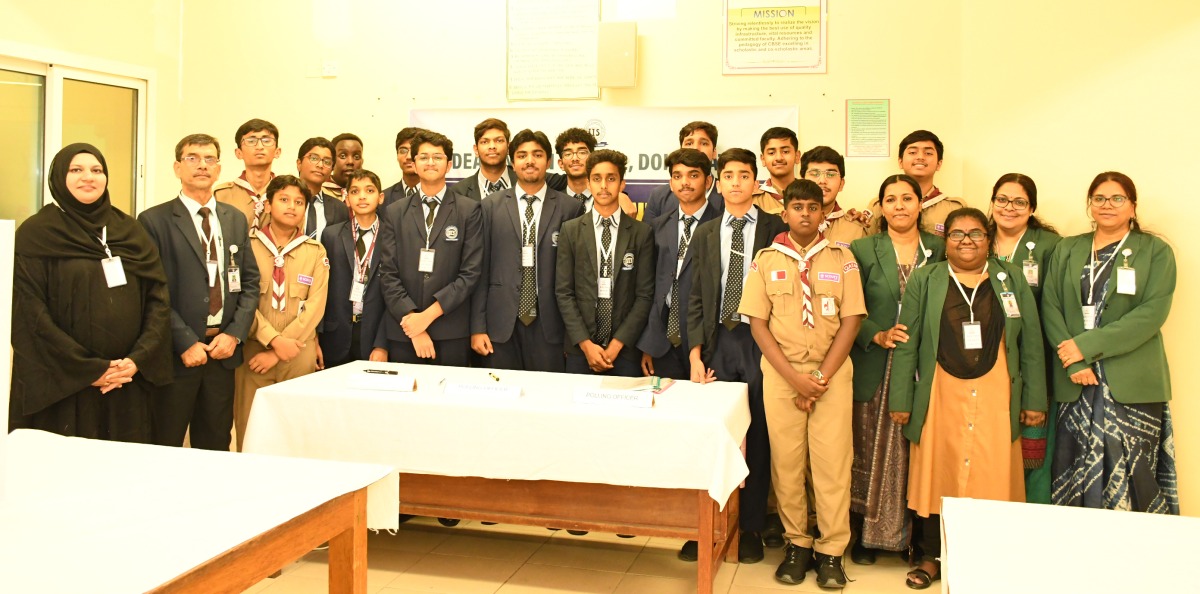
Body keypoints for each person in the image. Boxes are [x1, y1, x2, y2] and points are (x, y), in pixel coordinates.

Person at [890, 207, 1047, 590]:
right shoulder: (927, 278)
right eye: (957, 234)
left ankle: (989, 555)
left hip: (998, 389)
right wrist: (901, 397)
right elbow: (907, 340)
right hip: (940, 389)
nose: (966, 241)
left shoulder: (1009, 277)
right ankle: (931, 556)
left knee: (993, 472)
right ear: (946, 241)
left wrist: (1035, 399)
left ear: (989, 239)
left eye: (975, 233)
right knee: (936, 471)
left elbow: (1030, 341)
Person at [739, 179, 865, 589]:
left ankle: (831, 550)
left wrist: (820, 377)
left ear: (823, 211)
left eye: (814, 207)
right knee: (788, 465)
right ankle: (798, 544)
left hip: (831, 375)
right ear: (785, 212)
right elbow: (758, 324)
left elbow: (852, 320)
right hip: (781, 376)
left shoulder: (843, 259)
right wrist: (795, 378)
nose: (806, 214)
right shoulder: (764, 259)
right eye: (798, 207)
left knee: (831, 465)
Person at [10, 143, 172, 442]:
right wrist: (89, 369)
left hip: (126, 380)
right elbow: (31, 314)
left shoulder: (130, 230)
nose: (89, 177)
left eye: (96, 170)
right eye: (76, 170)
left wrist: (138, 359)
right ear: (59, 177)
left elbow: (158, 299)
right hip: (64, 384)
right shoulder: (37, 233)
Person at [1042, 172, 1178, 514]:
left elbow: (1151, 314)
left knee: (1137, 474)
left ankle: (1139, 554)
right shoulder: (1068, 248)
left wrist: (1086, 347)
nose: (1107, 206)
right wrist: (1074, 360)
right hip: (1076, 379)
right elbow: (1051, 306)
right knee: (1073, 470)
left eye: (1117, 198)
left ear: (1132, 206)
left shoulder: (1155, 251)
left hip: (1132, 381)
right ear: (1090, 205)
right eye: (1099, 198)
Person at [679, 147, 788, 565]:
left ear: (756, 182)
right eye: (728, 175)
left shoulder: (776, 228)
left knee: (757, 435)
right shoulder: (705, 231)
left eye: (745, 175)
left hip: (761, 341)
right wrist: (693, 354)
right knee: (715, 433)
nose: (736, 182)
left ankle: (751, 527)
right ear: (717, 182)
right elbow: (693, 296)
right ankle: (707, 523)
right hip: (715, 341)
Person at [139, 134, 261, 451]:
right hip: (176, 356)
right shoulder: (154, 221)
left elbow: (249, 283)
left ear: (219, 168)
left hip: (222, 354)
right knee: (164, 443)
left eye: (209, 159)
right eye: (193, 158)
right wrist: (185, 341)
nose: (202, 165)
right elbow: (153, 290)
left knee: (216, 444)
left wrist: (234, 335)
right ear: (177, 167)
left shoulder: (234, 219)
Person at [846, 174, 944, 564]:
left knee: (917, 451)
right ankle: (865, 538)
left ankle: (914, 540)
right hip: (875, 363)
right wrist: (877, 334)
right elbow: (846, 303)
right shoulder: (862, 248)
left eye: (907, 198)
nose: (900, 206)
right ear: (881, 206)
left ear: (921, 204)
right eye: (891, 199)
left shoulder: (939, 247)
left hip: (925, 367)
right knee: (867, 450)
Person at [470, 129, 583, 371]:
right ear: (512, 162)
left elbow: (576, 278)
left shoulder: (570, 209)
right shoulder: (490, 206)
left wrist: (574, 334)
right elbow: (480, 270)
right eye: (522, 155)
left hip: (551, 326)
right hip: (500, 324)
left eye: (537, 154)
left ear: (549, 162)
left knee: (547, 398)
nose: (529, 161)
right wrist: (477, 327)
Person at [235, 175, 330, 450]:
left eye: (299, 202)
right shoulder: (247, 246)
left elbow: (316, 305)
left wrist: (279, 350)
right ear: (268, 204)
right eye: (284, 200)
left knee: (296, 429)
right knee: (251, 427)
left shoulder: (315, 251)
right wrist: (272, 341)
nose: (292, 207)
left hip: (298, 352)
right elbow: (242, 300)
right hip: (253, 352)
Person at [376, 129, 483, 367]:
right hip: (404, 330)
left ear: (449, 163)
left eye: (437, 157)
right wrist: (413, 322)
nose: (430, 162)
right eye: (423, 157)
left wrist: (427, 317)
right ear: (413, 163)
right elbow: (388, 273)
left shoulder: (469, 210)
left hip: (450, 329)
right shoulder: (395, 211)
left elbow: (470, 273)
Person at [986, 173, 1061, 503]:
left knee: (1033, 449)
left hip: (1034, 356)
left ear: (1031, 208)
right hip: (984, 358)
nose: (1009, 208)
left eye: (1019, 202)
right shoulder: (976, 238)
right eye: (1002, 199)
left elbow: (1057, 302)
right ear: (992, 203)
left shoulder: (1050, 246)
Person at [556, 149, 654, 377]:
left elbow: (644, 296)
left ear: (621, 184)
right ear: (588, 183)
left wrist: (617, 345)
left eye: (611, 179)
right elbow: (563, 292)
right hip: (581, 350)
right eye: (597, 179)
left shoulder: (642, 233)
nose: (603, 186)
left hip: (625, 350)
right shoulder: (570, 230)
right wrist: (585, 344)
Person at [637, 148, 721, 381]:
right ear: (671, 183)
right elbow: (650, 289)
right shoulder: (656, 227)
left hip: (707, 341)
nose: (684, 182)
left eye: (693, 175)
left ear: (709, 181)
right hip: (662, 342)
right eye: (677, 176)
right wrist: (648, 343)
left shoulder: (721, 225)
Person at [320, 169, 389, 368]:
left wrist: (382, 343)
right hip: (335, 334)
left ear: (381, 197)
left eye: (369, 191)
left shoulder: (393, 236)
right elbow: (322, 287)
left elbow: (395, 292)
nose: (362, 197)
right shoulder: (331, 235)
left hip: (375, 334)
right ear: (347, 198)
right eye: (355, 191)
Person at [872, 130, 965, 236]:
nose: (920, 157)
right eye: (912, 152)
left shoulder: (954, 208)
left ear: (939, 164)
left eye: (928, 153)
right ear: (900, 162)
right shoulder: (879, 206)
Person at [643, 121, 724, 221]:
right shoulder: (659, 196)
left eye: (704, 143)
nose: (695, 148)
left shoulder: (728, 194)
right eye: (689, 143)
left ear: (714, 153)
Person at [214, 118, 280, 232]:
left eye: (266, 140)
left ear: (277, 152)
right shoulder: (221, 195)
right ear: (238, 153)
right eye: (251, 141)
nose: (259, 146)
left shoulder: (287, 194)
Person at [800, 146, 871, 248]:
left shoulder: (857, 230)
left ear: (841, 184)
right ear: (801, 181)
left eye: (830, 174)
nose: (822, 181)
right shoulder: (782, 221)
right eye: (815, 174)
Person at [296, 137, 349, 240]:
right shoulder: (283, 200)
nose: (320, 165)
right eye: (314, 158)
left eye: (327, 162)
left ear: (331, 170)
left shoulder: (340, 209)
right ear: (299, 163)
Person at [450, 118, 516, 200]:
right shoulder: (458, 192)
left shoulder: (525, 184)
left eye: (499, 141)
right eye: (485, 142)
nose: (492, 146)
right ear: (476, 150)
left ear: (508, 147)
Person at [751, 126, 799, 214]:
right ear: (763, 159)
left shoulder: (811, 195)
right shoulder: (752, 202)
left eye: (785, 151)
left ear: (797, 156)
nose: (779, 158)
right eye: (771, 153)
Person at [553, 127, 597, 205]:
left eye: (582, 152)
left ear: (592, 159)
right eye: (568, 154)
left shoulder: (608, 199)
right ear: (561, 164)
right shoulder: (551, 202)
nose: (575, 158)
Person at [383, 127, 425, 206]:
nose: (409, 156)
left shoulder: (440, 196)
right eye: (403, 151)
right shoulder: (383, 198)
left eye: (414, 150)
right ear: (397, 155)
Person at [327, 132, 364, 199]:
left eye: (356, 157)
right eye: (343, 156)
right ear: (332, 161)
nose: (350, 162)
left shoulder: (369, 194)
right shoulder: (318, 192)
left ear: (362, 162)